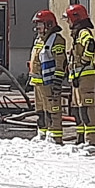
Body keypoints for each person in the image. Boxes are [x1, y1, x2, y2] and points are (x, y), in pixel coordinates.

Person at [28, 9, 67, 144]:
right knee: (40, 110)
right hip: (38, 81)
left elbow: (60, 62)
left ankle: (54, 135)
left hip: (49, 82)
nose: (37, 27)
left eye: (40, 24)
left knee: (53, 109)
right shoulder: (40, 39)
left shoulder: (56, 40)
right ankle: (42, 132)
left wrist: (57, 81)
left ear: (49, 25)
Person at [64, 3, 95, 147]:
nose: (67, 22)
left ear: (75, 18)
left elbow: (91, 44)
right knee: (78, 109)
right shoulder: (77, 34)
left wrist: (85, 60)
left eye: (69, 19)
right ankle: (80, 138)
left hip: (85, 77)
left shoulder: (83, 32)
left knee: (87, 107)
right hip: (78, 78)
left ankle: (91, 140)